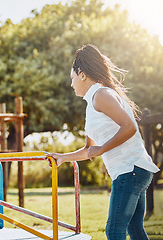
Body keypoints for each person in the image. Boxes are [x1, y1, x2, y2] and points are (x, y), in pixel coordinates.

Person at [46, 44, 159, 240]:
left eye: (72, 78)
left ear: (82, 74)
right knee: (134, 230)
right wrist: (63, 158)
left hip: (129, 169)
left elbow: (129, 127)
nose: (71, 84)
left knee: (113, 230)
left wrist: (102, 149)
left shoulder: (102, 95)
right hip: (133, 170)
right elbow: (89, 149)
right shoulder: (92, 104)